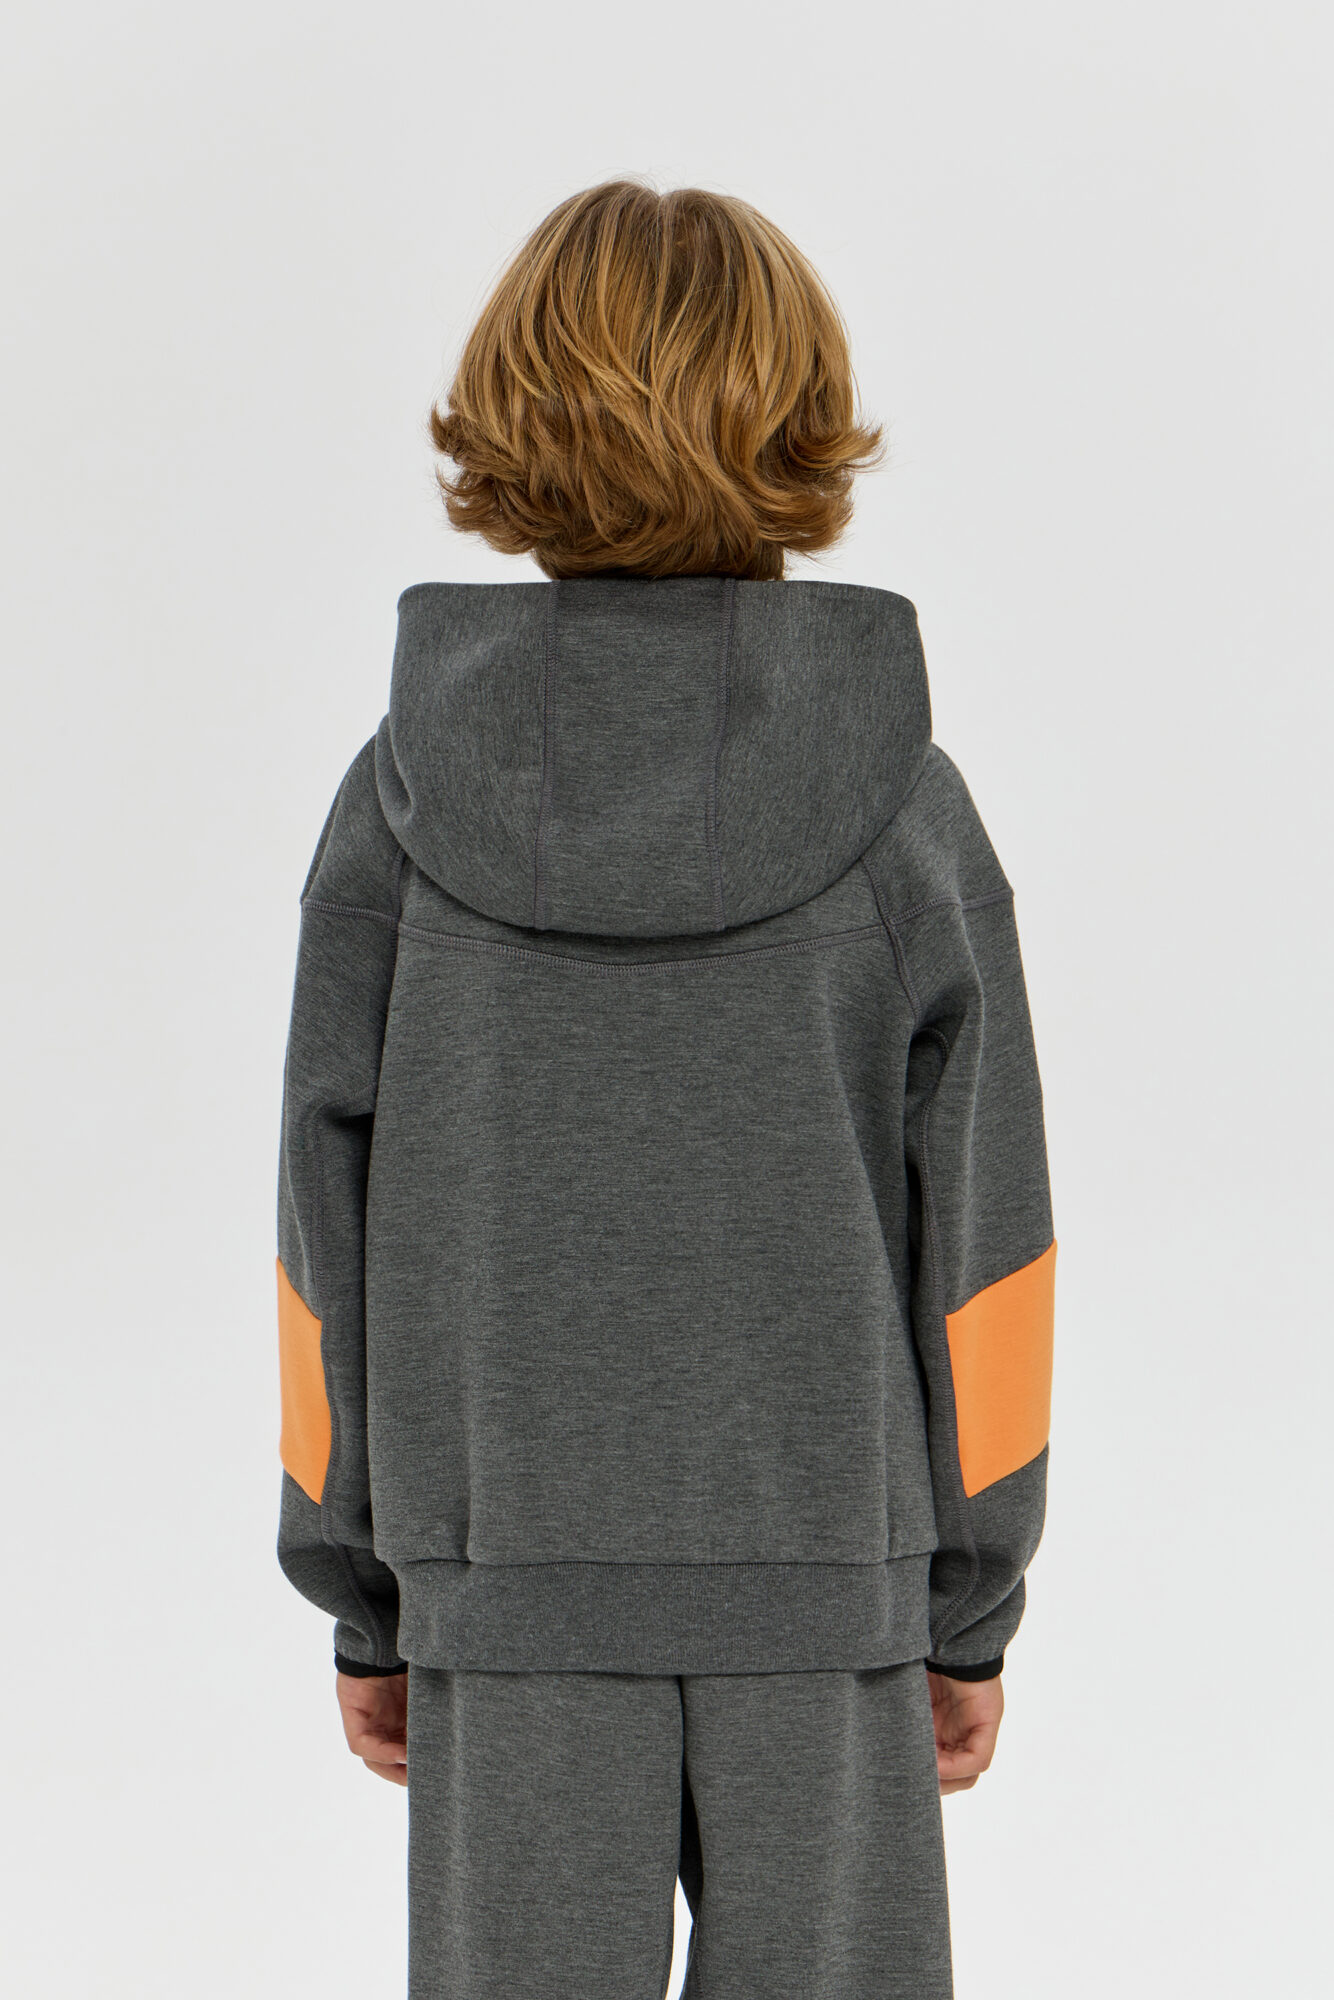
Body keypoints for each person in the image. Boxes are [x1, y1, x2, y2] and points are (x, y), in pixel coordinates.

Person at [274, 177, 1056, 2000]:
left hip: (504, 1584)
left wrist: (364, 1591)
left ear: (509, 415)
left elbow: (323, 1235)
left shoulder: (397, 809)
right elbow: (987, 1248)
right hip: (827, 1588)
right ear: (800, 418)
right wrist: (969, 1600)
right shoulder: (903, 814)